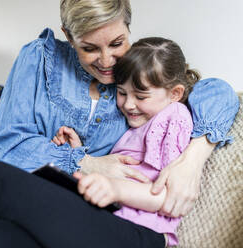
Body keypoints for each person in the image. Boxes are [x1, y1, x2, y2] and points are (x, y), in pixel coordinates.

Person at [0, 0, 239, 228]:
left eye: (116, 42)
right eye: (89, 48)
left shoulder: (135, 74)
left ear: (128, 27)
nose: (108, 60)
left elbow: (216, 90)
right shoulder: (40, 57)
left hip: (59, 196)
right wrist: (85, 161)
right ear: (69, 37)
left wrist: (193, 160)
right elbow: (10, 142)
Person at [51, 36, 197, 246]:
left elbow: (165, 196)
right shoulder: (137, 125)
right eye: (121, 92)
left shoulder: (174, 116)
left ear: (175, 93)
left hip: (143, 229)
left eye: (140, 96)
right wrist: (78, 152)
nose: (128, 104)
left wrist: (114, 189)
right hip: (114, 220)